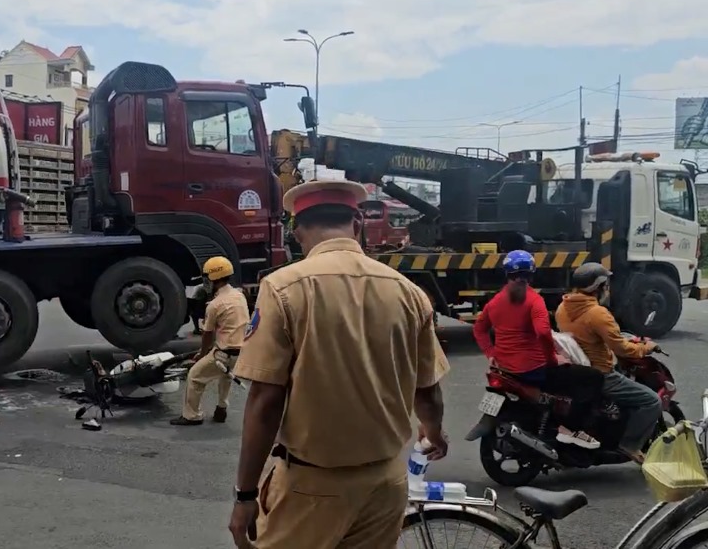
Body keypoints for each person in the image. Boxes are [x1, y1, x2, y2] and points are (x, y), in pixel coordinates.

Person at [227, 179, 450, 549]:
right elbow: (427, 390)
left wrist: (245, 494)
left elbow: (265, 402)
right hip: (386, 485)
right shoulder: (409, 292)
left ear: (298, 232)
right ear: (357, 223)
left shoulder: (283, 288)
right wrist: (434, 431)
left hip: (313, 489)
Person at [472, 250, 604, 450]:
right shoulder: (534, 300)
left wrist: (491, 353)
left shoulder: (495, 302)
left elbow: (479, 329)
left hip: (505, 368)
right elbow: (543, 333)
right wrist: (552, 359)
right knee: (593, 377)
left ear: (506, 273)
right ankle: (571, 429)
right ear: (532, 274)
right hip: (533, 369)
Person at [555, 262, 662, 463]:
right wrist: (646, 348)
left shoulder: (562, 308)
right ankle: (630, 445)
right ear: (598, 287)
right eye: (605, 285)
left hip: (578, 369)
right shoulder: (598, 313)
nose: (607, 289)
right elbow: (622, 349)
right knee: (652, 401)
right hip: (602, 373)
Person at [170, 256, 249, 426]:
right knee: (226, 376)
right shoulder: (239, 295)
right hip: (241, 352)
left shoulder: (215, 304)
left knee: (195, 376)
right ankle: (221, 408)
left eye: (206, 279)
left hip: (224, 353)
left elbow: (207, 334)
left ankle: (192, 416)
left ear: (213, 279)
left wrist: (202, 354)